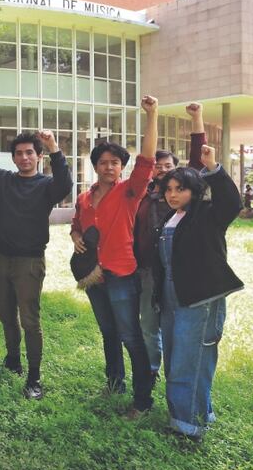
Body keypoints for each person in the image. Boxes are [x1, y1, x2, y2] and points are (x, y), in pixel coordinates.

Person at [70, 95, 159, 417]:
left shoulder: (130, 192)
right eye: (104, 162)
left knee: (130, 337)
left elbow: (147, 160)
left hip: (122, 275)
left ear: (122, 168)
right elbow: (76, 225)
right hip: (93, 276)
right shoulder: (84, 197)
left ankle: (142, 400)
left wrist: (152, 115)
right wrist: (77, 235)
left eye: (115, 163)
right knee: (108, 333)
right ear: (95, 166)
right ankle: (114, 383)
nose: (109, 167)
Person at [154, 145, 243, 443]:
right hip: (171, 299)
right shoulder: (171, 218)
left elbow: (231, 202)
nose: (173, 194)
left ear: (195, 190)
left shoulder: (207, 214)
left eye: (180, 189)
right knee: (181, 357)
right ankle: (198, 411)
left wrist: (214, 166)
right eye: (169, 189)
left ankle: (186, 425)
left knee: (188, 361)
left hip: (200, 300)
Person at [0, 129, 73, 400]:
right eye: (19, 153)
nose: (24, 157)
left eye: (30, 153)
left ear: (39, 156)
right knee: (5, 315)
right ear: (13, 158)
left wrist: (54, 145)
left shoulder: (47, 186)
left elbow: (65, 183)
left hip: (30, 263)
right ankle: (13, 360)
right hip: (2, 260)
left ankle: (34, 377)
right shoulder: (5, 180)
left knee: (30, 321)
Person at [133, 102, 207, 380]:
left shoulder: (184, 198)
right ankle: (152, 371)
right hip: (147, 271)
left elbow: (198, 161)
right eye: (158, 167)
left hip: (181, 273)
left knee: (178, 324)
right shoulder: (142, 194)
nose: (162, 170)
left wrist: (197, 119)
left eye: (168, 166)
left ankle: (179, 374)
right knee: (149, 325)